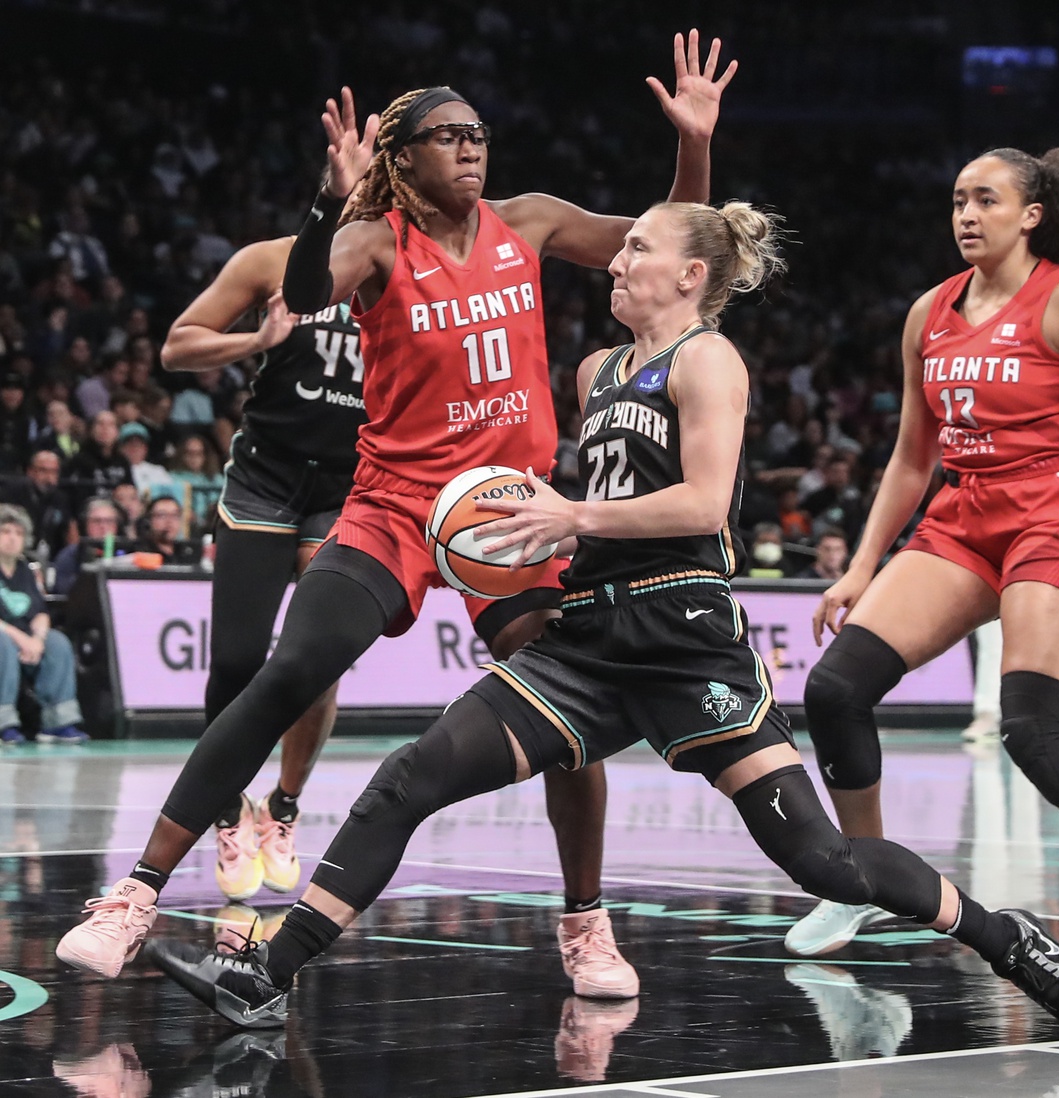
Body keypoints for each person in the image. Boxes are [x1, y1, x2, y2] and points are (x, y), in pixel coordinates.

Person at [146, 200, 1059, 1037]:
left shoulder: (711, 362)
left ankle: (1007, 940)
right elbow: (596, 508)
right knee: (410, 777)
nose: (617, 259)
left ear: (691, 275)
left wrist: (572, 515)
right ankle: (263, 981)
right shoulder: (598, 373)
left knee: (824, 864)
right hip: (591, 640)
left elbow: (702, 505)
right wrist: (523, 531)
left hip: (689, 644)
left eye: (637, 249)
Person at [56, 34, 734, 1001]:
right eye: (446, 136)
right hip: (396, 507)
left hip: (512, 512)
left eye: (478, 133)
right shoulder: (376, 245)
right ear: (402, 156)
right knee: (291, 667)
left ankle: (585, 922)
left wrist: (694, 142)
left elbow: (676, 239)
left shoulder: (529, 223)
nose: (470, 148)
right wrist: (329, 204)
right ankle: (134, 895)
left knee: (567, 713)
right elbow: (298, 295)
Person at [788, 147, 1059, 991]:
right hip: (966, 515)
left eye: (984, 200)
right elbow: (911, 457)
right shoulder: (931, 311)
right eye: (956, 199)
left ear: (1030, 214)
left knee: (1031, 728)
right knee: (835, 691)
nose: (964, 214)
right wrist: (861, 568)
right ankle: (865, 877)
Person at [156, 234, 368, 903]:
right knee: (237, 661)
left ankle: (282, 808)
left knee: (314, 661)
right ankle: (228, 810)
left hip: (346, 485)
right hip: (264, 481)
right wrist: (256, 341)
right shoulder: (271, 260)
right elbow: (176, 345)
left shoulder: (410, 269)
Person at [0, 505, 88, 745]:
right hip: (5, 637)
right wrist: (21, 639)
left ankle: (58, 722)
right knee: (2, 644)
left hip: (26, 638)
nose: (12, 538)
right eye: (5, 531)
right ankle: (3, 722)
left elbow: (40, 612)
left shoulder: (26, 571)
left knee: (57, 643)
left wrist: (38, 640)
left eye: (18, 533)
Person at [51, 496, 132, 595]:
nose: (103, 526)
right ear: (86, 524)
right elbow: (63, 589)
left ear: (117, 525)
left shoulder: (128, 554)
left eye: (109, 521)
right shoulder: (70, 555)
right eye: (97, 521)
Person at [134, 496, 202, 565]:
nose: (169, 521)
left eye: (175, 515)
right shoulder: (140, 552)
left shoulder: (188, 552)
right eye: (162, 515)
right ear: (149, 520)